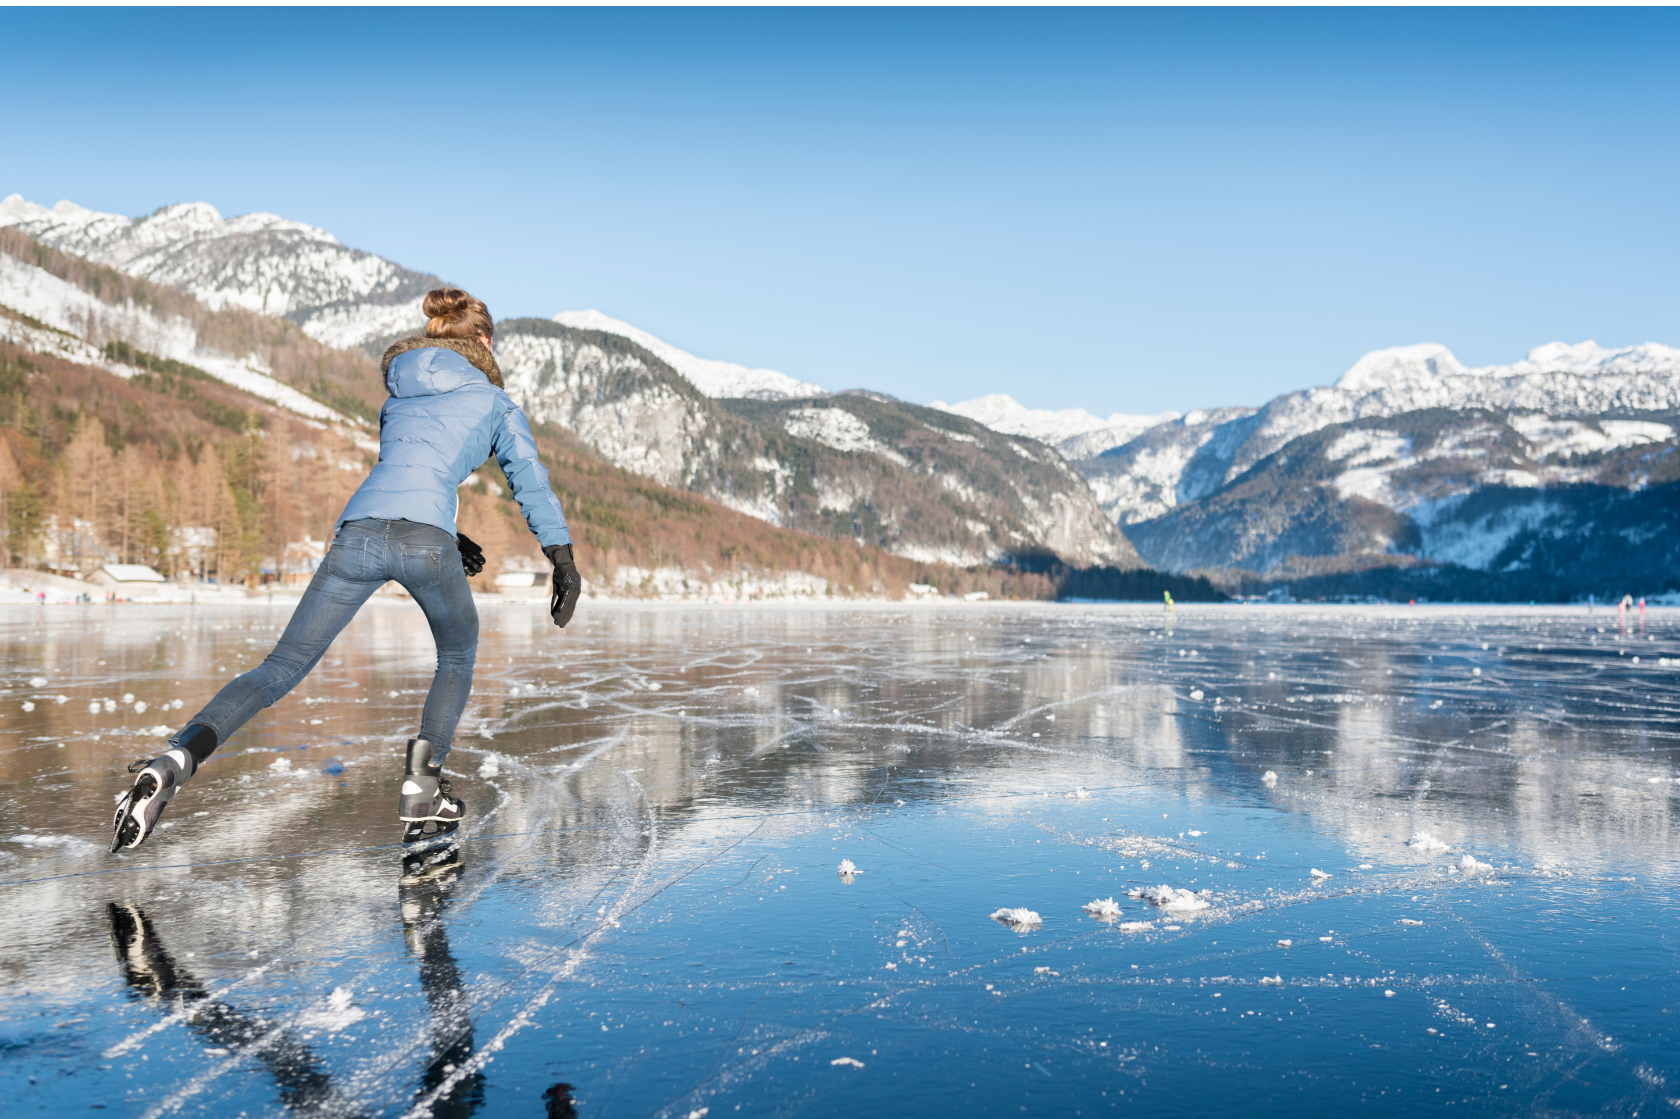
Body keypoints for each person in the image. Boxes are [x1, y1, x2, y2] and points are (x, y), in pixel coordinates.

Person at [111, 289, 582, 852]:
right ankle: (422, 787)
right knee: (457, 655)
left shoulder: (398, 395)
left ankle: (175, 759)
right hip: (423, 542)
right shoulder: (495, 402)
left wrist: (450, 533)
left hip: (358, 533)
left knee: (280, 666)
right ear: (482, 340)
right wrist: (561, 557)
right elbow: (527, 477)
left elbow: (405, 468)